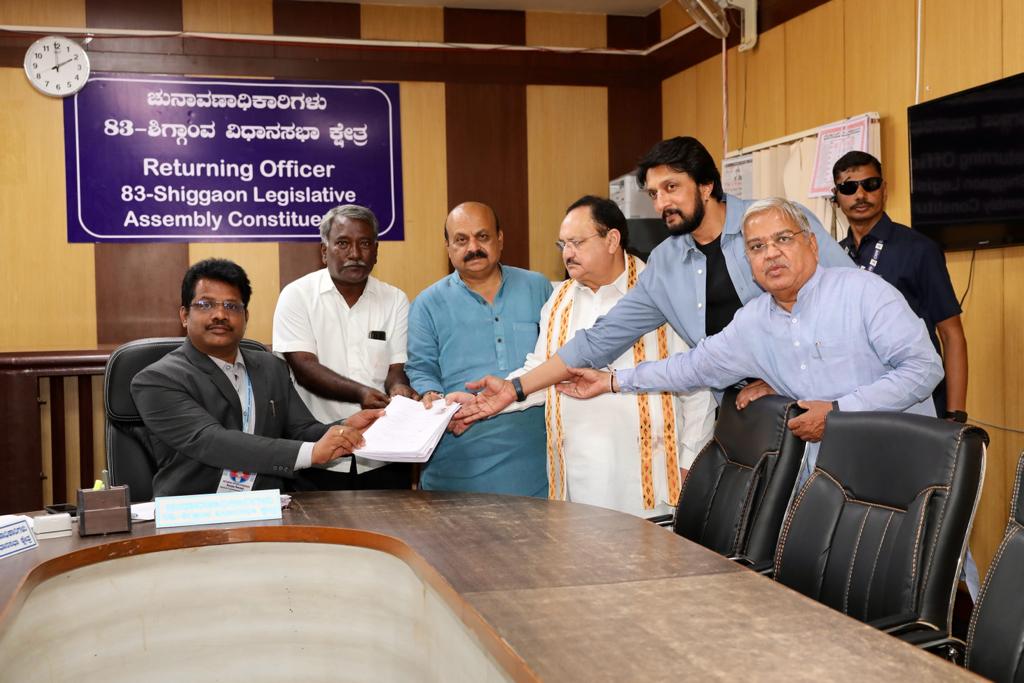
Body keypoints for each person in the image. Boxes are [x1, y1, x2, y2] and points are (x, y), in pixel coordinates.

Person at [452, 136, 852, 430]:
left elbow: (844, 303)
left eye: (671, 188)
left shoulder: (777, 224)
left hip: (828, 402)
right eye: (653, 194)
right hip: (743, 415)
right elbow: (600, 339)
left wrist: (779, 373)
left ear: (707, 185)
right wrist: (515, 388)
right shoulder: (665, 263)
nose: (661, 204)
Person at [556, 198, 942, 474]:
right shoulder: (754, 322)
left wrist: (840, 413)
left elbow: (924, 368)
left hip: (901, 472)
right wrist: (611, 381)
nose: (771, 254)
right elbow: (692, 367)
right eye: (757, 247)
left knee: (925, 583)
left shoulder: (863, 292)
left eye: (783, 240)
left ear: (811, 243)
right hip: (827, 485)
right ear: (749, 262)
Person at [449, 196, 715, 517]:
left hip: (648, 480)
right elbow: (542, 372)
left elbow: (699, 386)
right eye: (563, 244)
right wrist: (492, 399)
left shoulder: (659, 291)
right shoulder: (558, 299)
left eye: (577, 242)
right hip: (578, 480)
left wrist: (690, 465)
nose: (567, 253)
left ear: (612, 240)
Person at [132, 258, 381, 497]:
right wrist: (312, 452)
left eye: (231, 306)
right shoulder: (157, 380)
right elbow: (212, 441)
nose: (220, 314)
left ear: (245, 317)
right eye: (206, 305)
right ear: (184, 316)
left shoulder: (271, 366)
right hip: (194, 513)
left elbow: (300, 430)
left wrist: (344, 428)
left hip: (268, 508)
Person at [405, 202, 552, 495]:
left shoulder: (538, 287)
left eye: (482, 236)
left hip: (535, 462)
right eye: (461, 240)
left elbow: (558, 359)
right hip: (459, 454)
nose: (473, 247)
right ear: (448, 248)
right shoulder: (427, 303)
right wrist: (434, 399)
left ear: (500, 239)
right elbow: (421, 368)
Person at [273, 204, 416, 490]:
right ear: (324, 251)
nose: (354, 254)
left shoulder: (395, 299)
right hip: (318, 454)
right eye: (342, 243)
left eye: (364, 244)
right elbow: (304, 368)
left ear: (376, 250)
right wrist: (361, 393)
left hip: (382, 455)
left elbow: (396, 370)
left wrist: (400, 391)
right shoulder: (297, 296)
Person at [833, 150, 967, 421]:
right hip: (853, 403)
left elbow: (952, 335)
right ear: (836, 196)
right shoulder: (834, 257)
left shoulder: (919, 249)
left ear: (883, 189)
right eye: (848, 187)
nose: (860, 195)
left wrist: (956, 414)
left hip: (917, 401)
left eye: (869, 185)